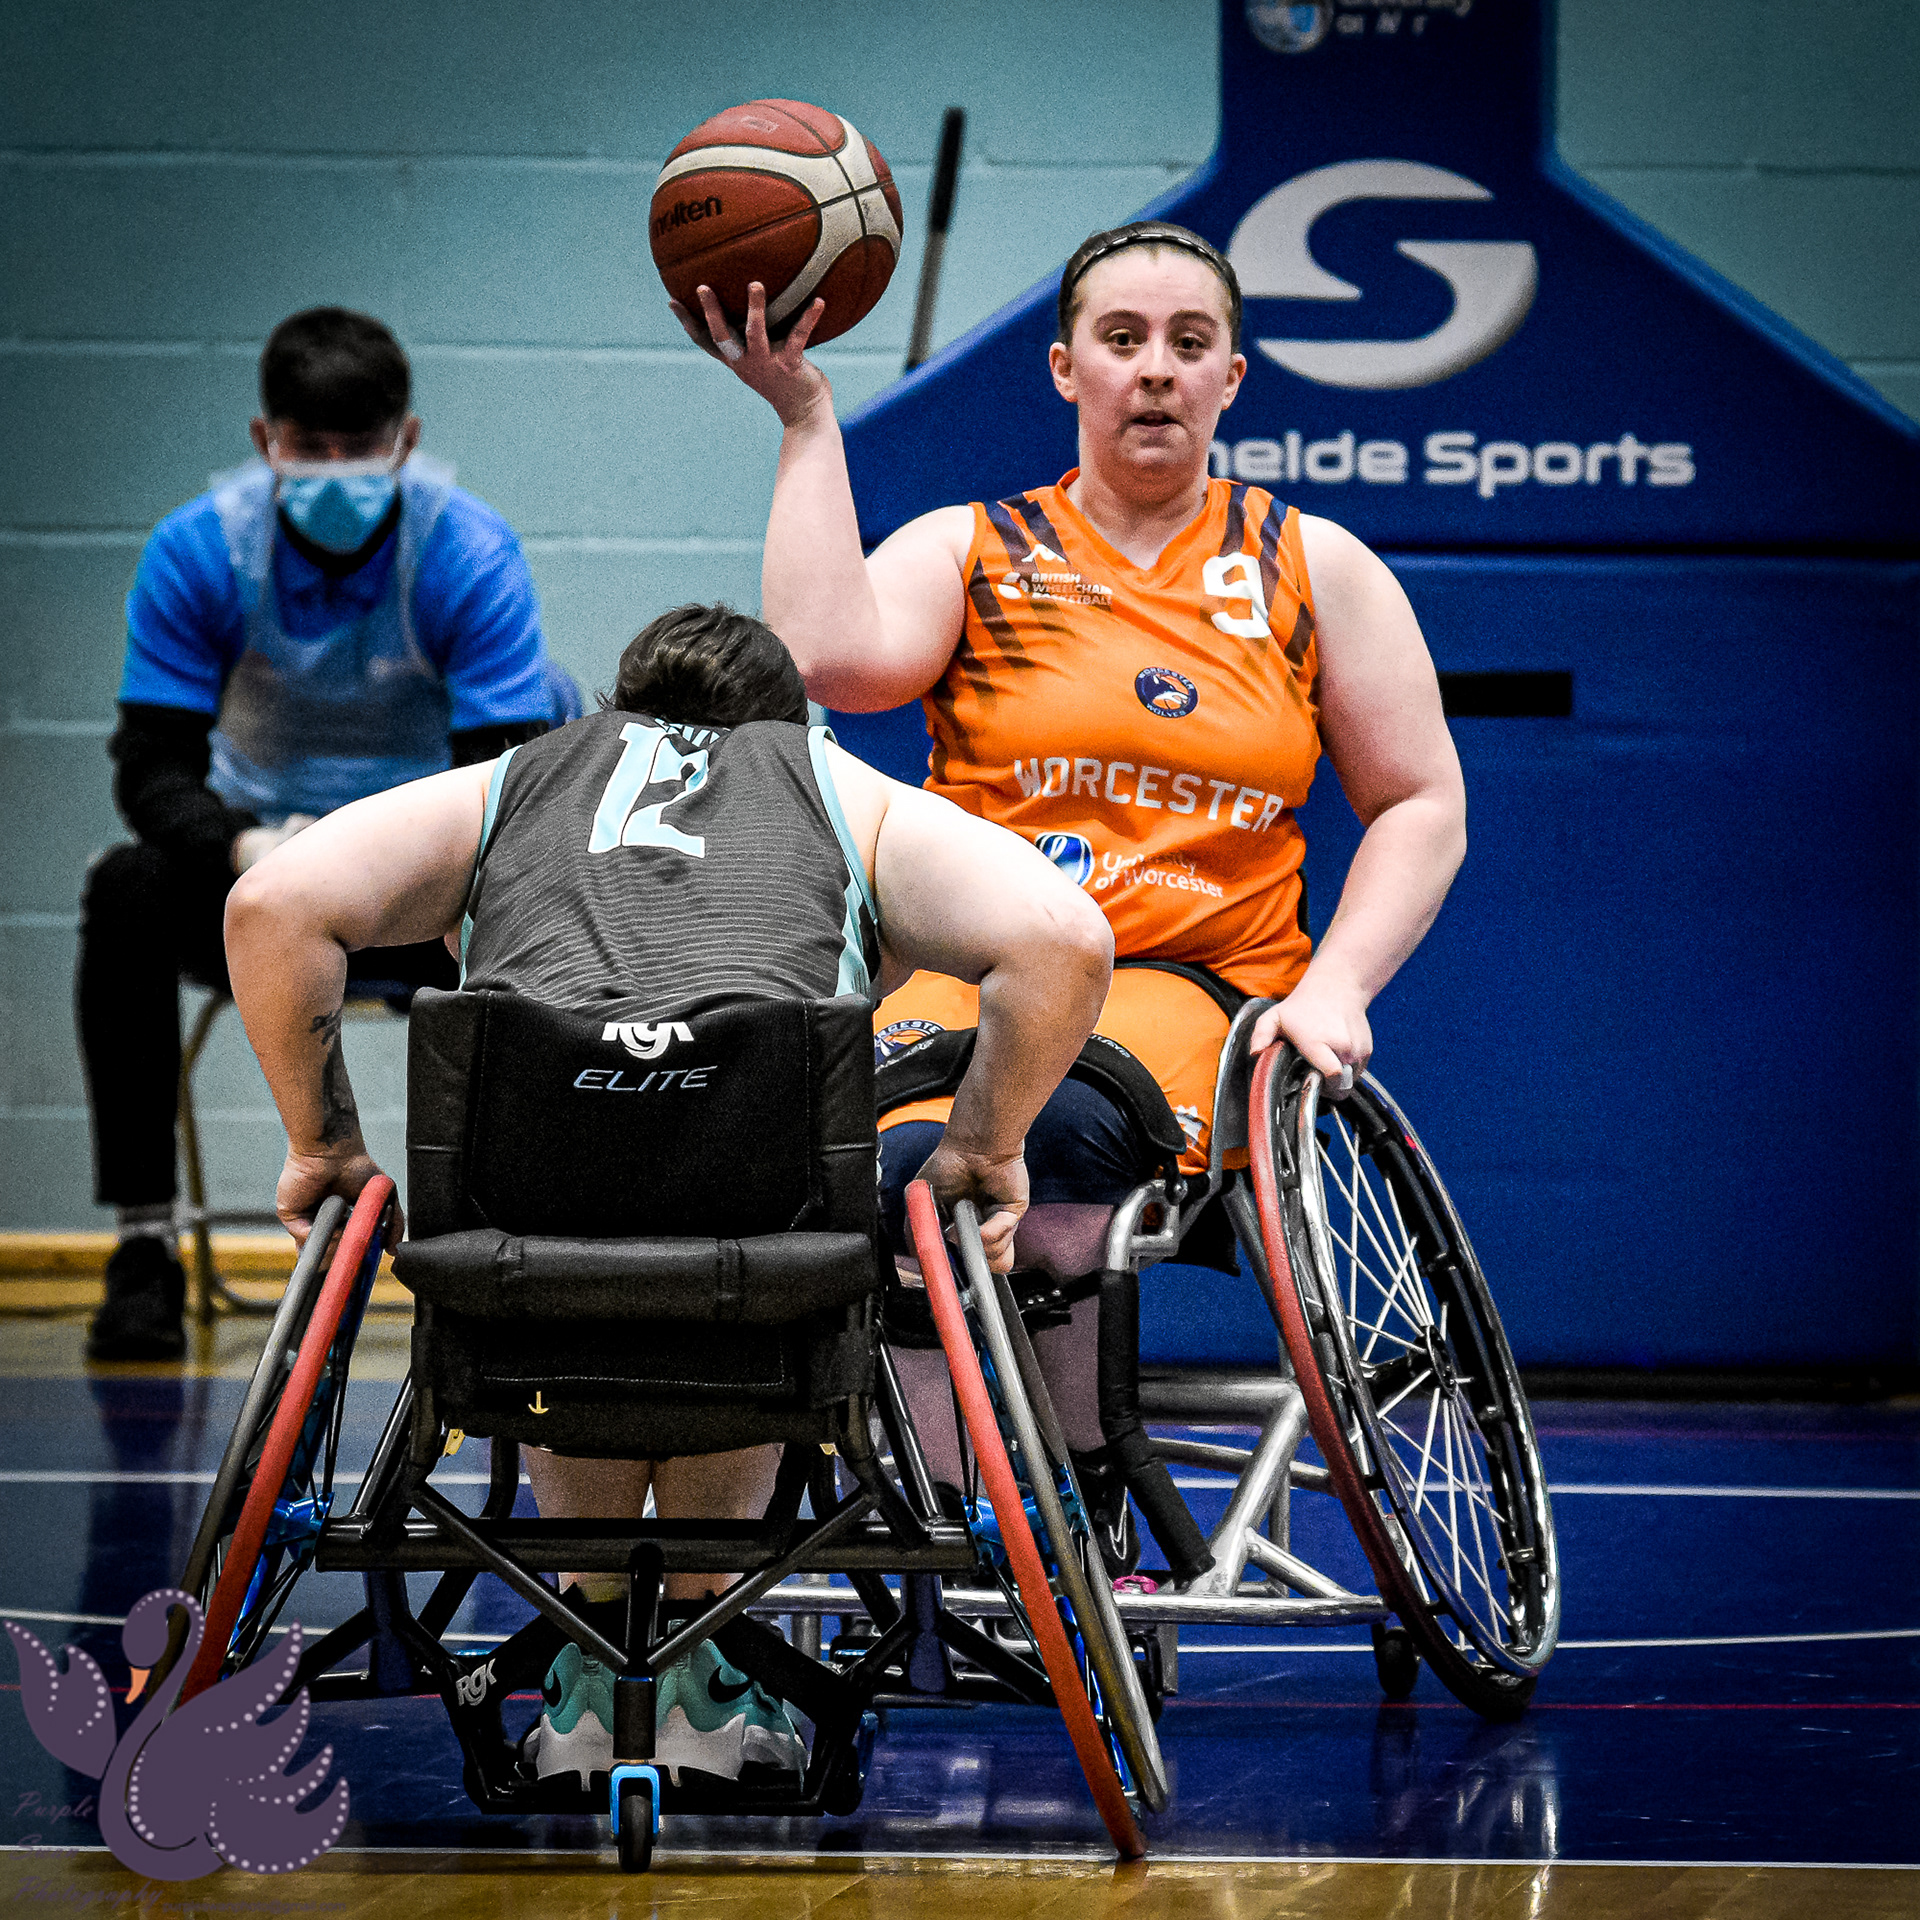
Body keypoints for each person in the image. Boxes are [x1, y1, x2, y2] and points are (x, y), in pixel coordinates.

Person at [674, 219, 1467, 1567]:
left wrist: (1338, 986)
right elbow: (821, 655)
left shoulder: (1313, 567)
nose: (1156, 368)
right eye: (1123, 339)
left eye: (1190, 343)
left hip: (1188, 987)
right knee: (838, 1157)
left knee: (1036, 1138)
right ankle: (936, 1527)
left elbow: (1420, 802)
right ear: (1065, 369)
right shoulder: (978, 548)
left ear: (1231, 379)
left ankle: (1070, 1505)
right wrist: (806, 418)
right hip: (978, 972)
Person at [223, 602, 1112, 1789]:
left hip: (520, 1234)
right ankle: (697, 1673)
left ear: (617, 711)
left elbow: (269, 907)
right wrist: (983, 1148)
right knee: (751, 1219)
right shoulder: (842, 788)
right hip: (762, 1248)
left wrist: (323, 1143)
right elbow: (1064, 938)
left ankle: (591, 1677)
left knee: (568, 1240)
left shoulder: (514, 780)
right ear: (792, 725)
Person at [78, 306, 577, 1362]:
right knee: (124, 891)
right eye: (313, 448)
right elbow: (150, 769)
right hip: (258, 861)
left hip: (422, 877)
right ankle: (143, 1248)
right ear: (268, 442)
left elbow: (507, 778)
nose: (339, 471)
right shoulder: (199, 551)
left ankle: (521, 1248)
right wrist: (249, 854)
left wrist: (383, 873)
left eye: (362, 447)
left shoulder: (467, 550)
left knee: (542, 901)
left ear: (407, 438)